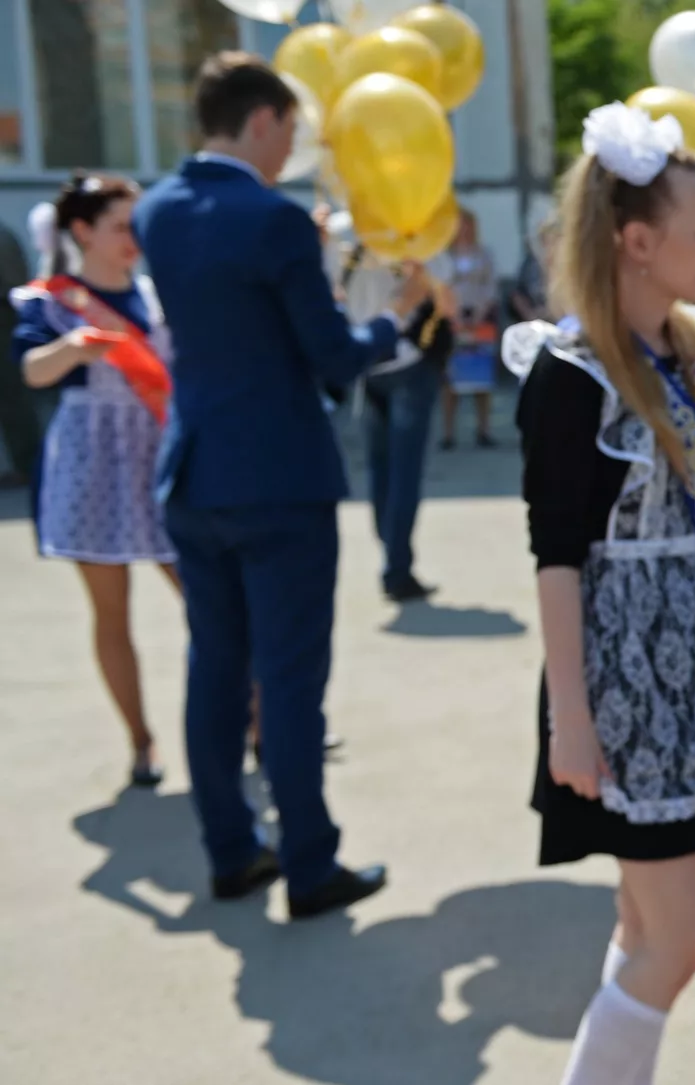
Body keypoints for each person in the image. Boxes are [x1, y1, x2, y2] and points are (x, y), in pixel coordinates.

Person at [133, 52, 427, 916]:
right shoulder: (275, 220)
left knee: (214, 669)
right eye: (289, 131)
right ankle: (308, 863)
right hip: (278, 478)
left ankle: (230, 851)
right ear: (261, 119)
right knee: (290, 679)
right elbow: (332, 355)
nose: (289, 150)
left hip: (194, 469)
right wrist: (394, 320)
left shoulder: (156, 208)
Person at [502, 101, 695, 1085]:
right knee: (681, 939)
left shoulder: (693, 352)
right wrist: (571, 716)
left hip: (687, 675)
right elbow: (555, 553)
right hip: (622, 688)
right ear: (637, 242)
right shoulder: (570, 374)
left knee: (645, 926)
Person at [10, 173, 179, 788]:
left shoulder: (157, 296)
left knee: (211, 601)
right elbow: (31, 369)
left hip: (159, 454)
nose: (134, 238)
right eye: (120, 227)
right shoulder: (53, 300)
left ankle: (253, 719)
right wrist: (72, 349)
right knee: (112, 613)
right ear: (82, 231)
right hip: (92, 463)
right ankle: (141, 740)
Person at [338, 238, 456, 602]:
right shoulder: (422, 240)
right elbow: (448, 306)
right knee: (405, 471)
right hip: (409, 364)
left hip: (367, 364)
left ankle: (391, 551)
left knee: (380, 470)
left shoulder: (346, 240)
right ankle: (397, 566)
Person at [440, 208, 498, 450]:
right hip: (452, 322)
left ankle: (483, 430)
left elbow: (491, 286)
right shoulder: (445, 256)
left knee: (481, 379)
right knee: (451, 379)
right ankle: (448, 433)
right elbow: (440, 287)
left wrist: (479, 313)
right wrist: (452, 314)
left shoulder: (484, 254)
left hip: (479, 321)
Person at [0, 222, 41, 488]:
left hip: (5, 324)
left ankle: (27, 465)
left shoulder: (2, 237)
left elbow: (12, 287)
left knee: (13, 398)